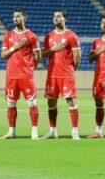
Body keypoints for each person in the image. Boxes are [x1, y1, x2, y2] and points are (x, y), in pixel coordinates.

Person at [0, 9, 41, 139]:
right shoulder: (8, 36)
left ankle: (34, 131)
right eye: (14, 16)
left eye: (18, 16)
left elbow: (38, 56)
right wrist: (14, 47)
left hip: (26, 76)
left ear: (24, 18)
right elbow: (3, 55)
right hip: (11, 76)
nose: (15, 18)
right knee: (11, 104)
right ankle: (11, 132)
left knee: (32, 103)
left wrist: (29, 68)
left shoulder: (32, 36)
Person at [41, 10, 81, 140]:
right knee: (51, 103)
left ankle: (75, 132)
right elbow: (43, 54)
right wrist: (52, 49)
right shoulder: (49, 36)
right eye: (54, 16)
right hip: (52, 75)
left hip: (66, 74)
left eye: (59, 16)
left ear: (65, 19)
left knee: (71, 101)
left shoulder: (71, 35)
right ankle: (53, 131)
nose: (56, 18)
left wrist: (70, 70)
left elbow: (77, 56)